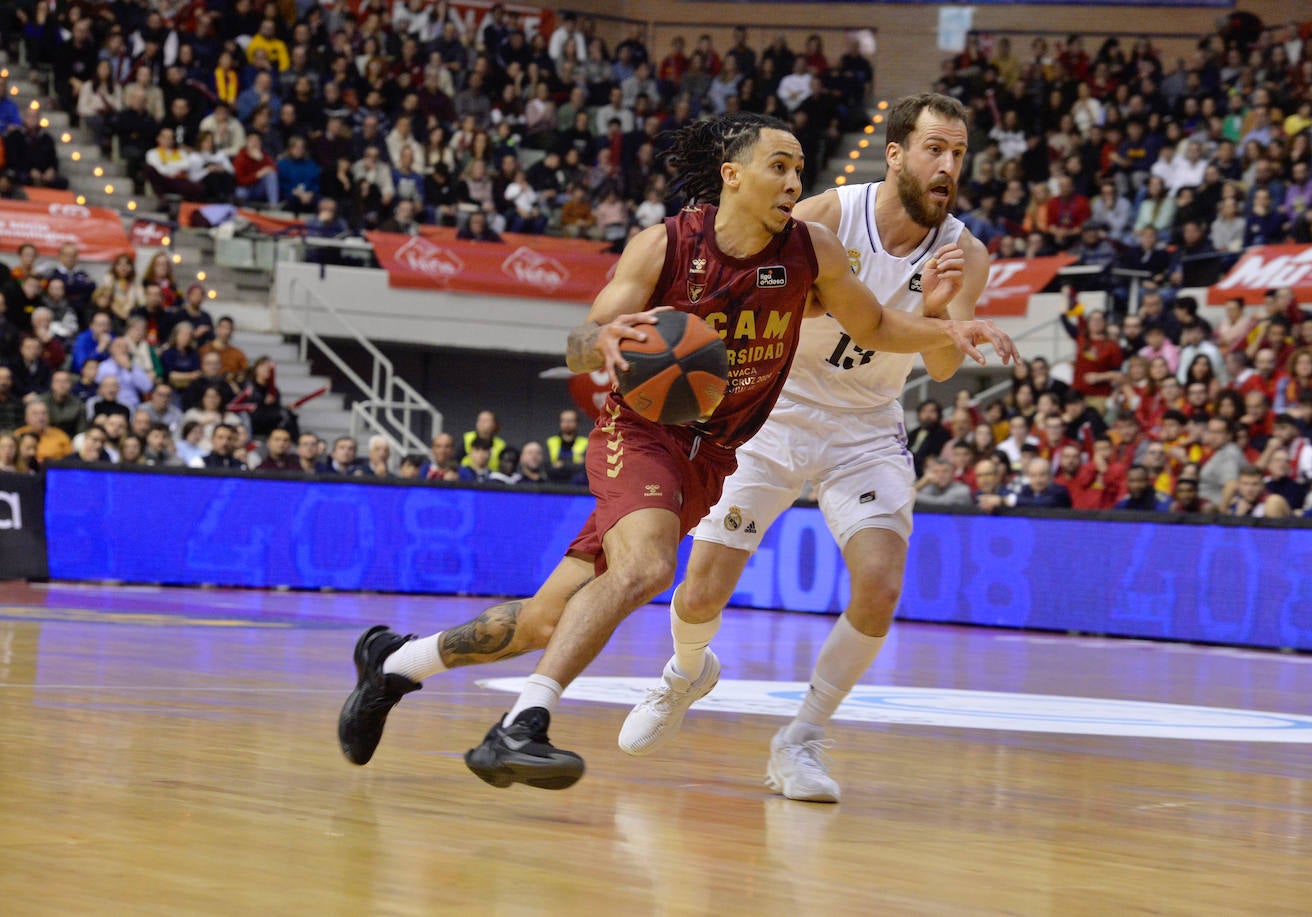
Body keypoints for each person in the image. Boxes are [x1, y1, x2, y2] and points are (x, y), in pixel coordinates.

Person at [335, 108, 1016, 792]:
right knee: (650, 567)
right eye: (778, 168)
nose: (792, 183)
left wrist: (948, 330)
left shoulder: (810, 251)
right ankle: (522, 723)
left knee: (548, 615)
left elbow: (872, 324)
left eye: (798, 170)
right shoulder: (663, 246)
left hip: (712, 455)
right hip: (641, 434)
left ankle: (395, 664)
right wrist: (597, 342)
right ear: (733, 175)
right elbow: (578, 340)